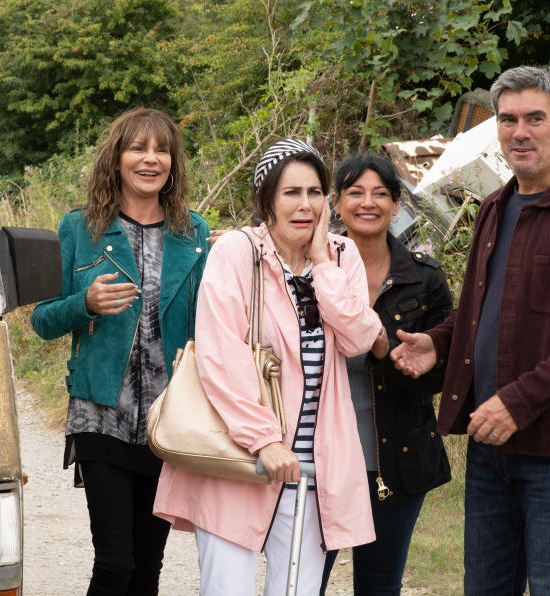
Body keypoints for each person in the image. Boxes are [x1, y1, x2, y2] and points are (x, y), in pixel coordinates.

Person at [390, 66, 550, 595]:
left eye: (535, 119)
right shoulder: (494, 208)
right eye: (508, 120)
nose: (519, 132)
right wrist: (438, 342)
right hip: (490, 448)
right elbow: (480, 309)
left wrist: (518, 402)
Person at [153, 139, 384, 596]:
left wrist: (320, 263)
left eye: (315, 192)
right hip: (239, 456)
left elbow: (358, 338)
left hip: (312, 468)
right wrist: (264, 440)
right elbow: (221, 355)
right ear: (266, 201)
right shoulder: (237, 251)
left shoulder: (341, 256)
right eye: (290, 193)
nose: (305, 205)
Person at [30, 107, 210, 596]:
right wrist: (84, 304)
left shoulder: (195, 234)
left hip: (167, 419)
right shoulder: (80, 228)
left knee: (147, 567)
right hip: (99, 412)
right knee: (114, 563)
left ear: (173, 163)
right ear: (116, 158)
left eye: (161, 150)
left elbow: (210, 323)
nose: (150, 159)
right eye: (138, 148)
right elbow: (42, 320)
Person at [319, 153, 453, 596]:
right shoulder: (312, 274)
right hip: (322, 459)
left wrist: (385, 349)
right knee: (302, 581)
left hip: (398, 459)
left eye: (381, 193)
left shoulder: (425, 279)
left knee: (379, 586)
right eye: (355, 192)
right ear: (335, 203)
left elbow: (442, 375)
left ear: (397, 204)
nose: (368, 203)